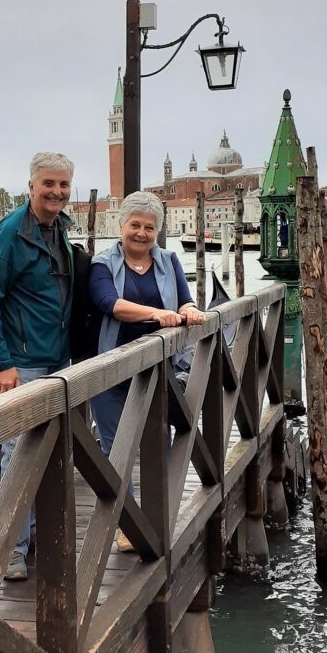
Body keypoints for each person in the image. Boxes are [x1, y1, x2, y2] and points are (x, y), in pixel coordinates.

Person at [0, 151, 75, 581]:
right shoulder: (12, 233)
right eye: (48, 184)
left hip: (57, 358)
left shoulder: (59, 229)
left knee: (47, 453)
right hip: (23, 363)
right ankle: (9, 551)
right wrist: (1, 363)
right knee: (17, 457)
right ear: (31, 186)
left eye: (63, 185)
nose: (56, 192)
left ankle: (30, 538)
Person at [89, 192, 206, 549]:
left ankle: (157, 519)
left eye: (149, 228)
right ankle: (126, 525)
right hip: (111, 369)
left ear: (158, 231)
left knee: (160, 442)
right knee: (116, 451)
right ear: (121, 226)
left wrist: (192, 310)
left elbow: (184, 298)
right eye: (135, 225)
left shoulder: (168, 260)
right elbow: (110, 304)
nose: (141, 233)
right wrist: (155, 314)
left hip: (159, 369)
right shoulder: (102, 264)